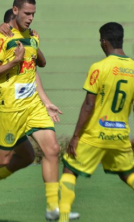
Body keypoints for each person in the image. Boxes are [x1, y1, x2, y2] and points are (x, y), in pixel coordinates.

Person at [0, 0, 79, 221]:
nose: (31, 18)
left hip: (30, 107)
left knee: (47, 150)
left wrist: (46, 101)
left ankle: (53, 208)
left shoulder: (32, 37)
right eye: (27, 13)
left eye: (33, 14)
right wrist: (9, 54)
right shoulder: (1, 37)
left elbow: (33, 70)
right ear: (14, 12)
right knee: (0, 159)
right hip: (2, 108)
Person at [59, 22, 134, 222]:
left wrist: (75, 137)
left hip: (94, 135)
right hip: (120, 136)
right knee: (127, 174)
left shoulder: (98, 68)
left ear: (104, 42)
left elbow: (88, 106)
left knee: (69, 169)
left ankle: (63, 217)